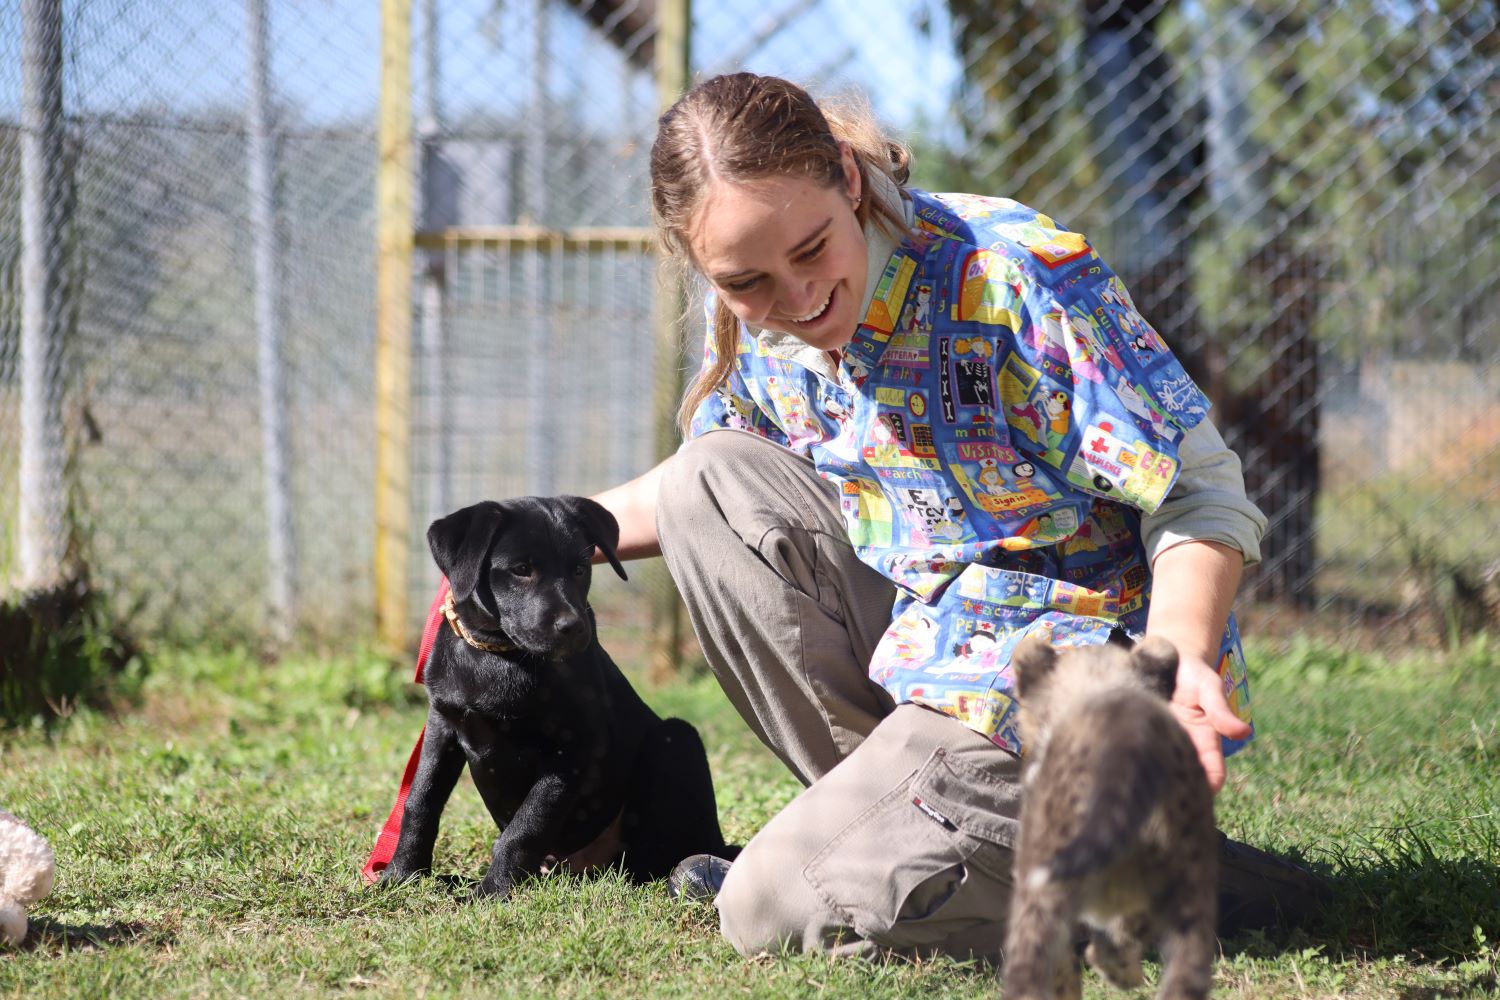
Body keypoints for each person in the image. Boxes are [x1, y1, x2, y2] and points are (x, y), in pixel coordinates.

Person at [592, 72, 1317, 960]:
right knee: (706, 483)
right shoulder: (756, 319)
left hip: (1073, 681)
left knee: (768, 912)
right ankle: (915, 842)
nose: (795, 299)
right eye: (746, 280)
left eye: (813, 249)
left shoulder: (1010, 275)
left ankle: (1189, 883)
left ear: (849, 184)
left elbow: (1197, 486)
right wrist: (533, 534)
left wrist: (1183, 662)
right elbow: (711, 488)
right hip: (930, 657)